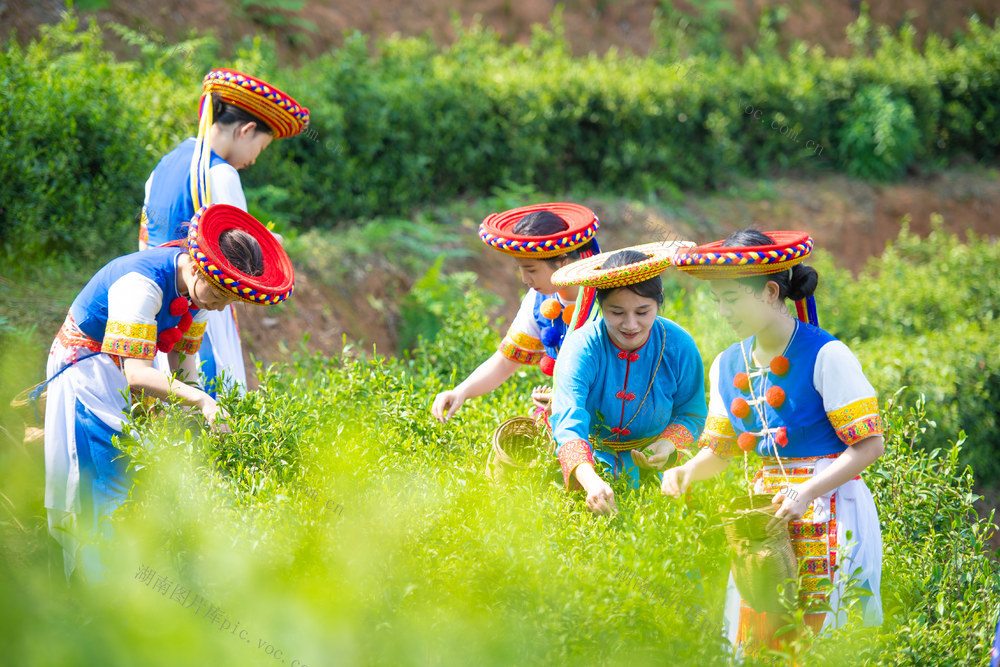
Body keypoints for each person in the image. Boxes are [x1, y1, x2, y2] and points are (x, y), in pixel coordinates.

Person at [45, 204, 295, 584]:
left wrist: (202, 422)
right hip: (89, 373)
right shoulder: (140, 285)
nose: (220, 305)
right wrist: (202, 402)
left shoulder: (199, 293)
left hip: (121, 372)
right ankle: (97, 584)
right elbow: (138, 374)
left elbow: (183, 370)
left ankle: (131, 577)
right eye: (219, 295)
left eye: (231, 300)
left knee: (141, 472)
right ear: (198, 267)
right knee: (107, 478)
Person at [663, 229, 884, 653]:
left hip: (830, 505)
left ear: (768, 291)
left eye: (732, 299)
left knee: (825, 639)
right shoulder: (727, 364)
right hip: (763, 518)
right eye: (717, 300)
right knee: (761, 636)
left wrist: (807, 490)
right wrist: (687, 469)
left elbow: (869, 446)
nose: (723, 311)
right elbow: (720, 451)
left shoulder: (826, 354)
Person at [138, 68, 309, 393]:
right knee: (215, 401)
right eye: (260, 148)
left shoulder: (166, 162)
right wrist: (275, 244)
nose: (254, 160)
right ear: (245, 130)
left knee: (169, 404)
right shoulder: (220, 174)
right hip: (205, 304)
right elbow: (242, 255)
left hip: (160, 305)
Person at [548, 243, 707, 514]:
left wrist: (666, 445)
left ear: (659, 303)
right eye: (617, 312)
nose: (630, 325)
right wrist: (591, 481)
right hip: (590, 465)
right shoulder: (582, 348)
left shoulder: (679, 345)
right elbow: (568, 421)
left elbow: (691, 412)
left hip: (657, 466)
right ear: (601, 305)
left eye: (643, 312)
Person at [431, 203, 601, 423]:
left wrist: (567, 399)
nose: (525, 280)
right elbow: (505, 361)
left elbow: (629, 369)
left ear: (562, 262)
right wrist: (461, 391)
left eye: (531, 270)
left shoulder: (606, 298)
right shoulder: (538, 300)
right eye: (521, 269)